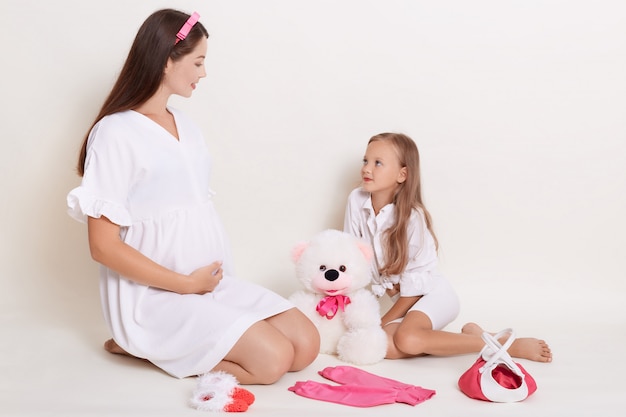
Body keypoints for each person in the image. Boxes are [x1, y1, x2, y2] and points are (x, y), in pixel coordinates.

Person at [66, 9, 319, 384]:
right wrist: (186, 284)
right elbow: (102, 247)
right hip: (156, 296)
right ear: (168, 61)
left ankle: (178, 340)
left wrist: (203, 284)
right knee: (272, 362)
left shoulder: (186, 126)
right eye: (198, 62)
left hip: (209, 284)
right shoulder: (115, 132)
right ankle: (144, 344)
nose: (204, 73)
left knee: (306, 345)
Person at [343, 132, 552, 362]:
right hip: (404, 301)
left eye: (378, 163)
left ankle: (505, 346)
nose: (367, 169)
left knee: (407, 339)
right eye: (366, 161)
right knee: (388, 348)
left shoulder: (414, 218)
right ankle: (475, 335)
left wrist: (379, 324)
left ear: (402, 174)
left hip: (432, 295)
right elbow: (352, 255)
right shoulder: (357, 199)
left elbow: (415, 290)